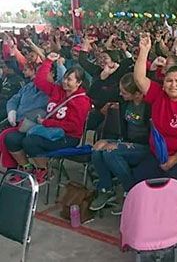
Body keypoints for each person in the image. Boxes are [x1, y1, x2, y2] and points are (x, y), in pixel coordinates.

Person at [5, 52, 91, 185]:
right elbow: (40, 81)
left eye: (69, 80)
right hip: (46, 129)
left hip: (67, 137)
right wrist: (48, 61)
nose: (65, 82)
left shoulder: (82, 101)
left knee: (30, 142)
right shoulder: (58, 90)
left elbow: (72, 126)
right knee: (11, 138)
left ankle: (44, 170)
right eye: (65, 78)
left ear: (78, 83)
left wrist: (46, 122)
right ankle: (27, 167)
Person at [131, 34, 177, 184]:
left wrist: (174, 159)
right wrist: (144, 50)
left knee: (169, 187)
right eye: (169, 81)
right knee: (138, 181)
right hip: (155, 152)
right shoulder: (158, 94)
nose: (173, 85)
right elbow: (139, 79)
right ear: (163, 83)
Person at [89, 73, 151, 215]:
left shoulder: (148, 106)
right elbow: (93, 93)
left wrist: (119, 145)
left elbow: (151, 135)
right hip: (127, 141)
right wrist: (110, 141)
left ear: (137, 94)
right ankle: (106, 189)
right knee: (98, 149)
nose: (120, 94)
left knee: (111, 153)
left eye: (124, 92)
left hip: (144, 146)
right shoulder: (124, 102)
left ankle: (130, 191)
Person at [0, 63, 48, 169]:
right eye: (38, 72)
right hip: (17, 122)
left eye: (43, 73)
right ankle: (20, 167)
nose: (40, 76)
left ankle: (22, 167)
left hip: (34, 125)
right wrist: (11, 111)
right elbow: (13, 100)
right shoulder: (29, 86)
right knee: (4, 134)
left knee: (8, 138)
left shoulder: (52, 91)